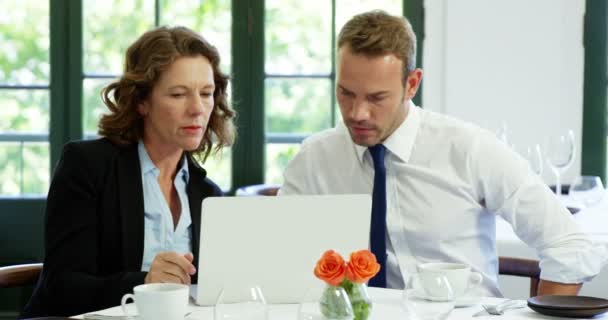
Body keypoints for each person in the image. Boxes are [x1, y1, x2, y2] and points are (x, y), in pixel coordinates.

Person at [280, 10, 605, 297]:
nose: (358, 113)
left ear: (412, 84)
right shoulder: (314, 158)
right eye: (346, 93)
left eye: (377, 97)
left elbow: (570, 245)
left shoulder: (469, 149)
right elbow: (276, 255)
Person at [21, 26, 235, 318]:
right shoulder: (87, 166)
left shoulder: (208, 194)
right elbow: (62, 286)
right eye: (177, 94)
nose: (197, 108)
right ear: (141, 101)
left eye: (207, 93)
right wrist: (144, 282)